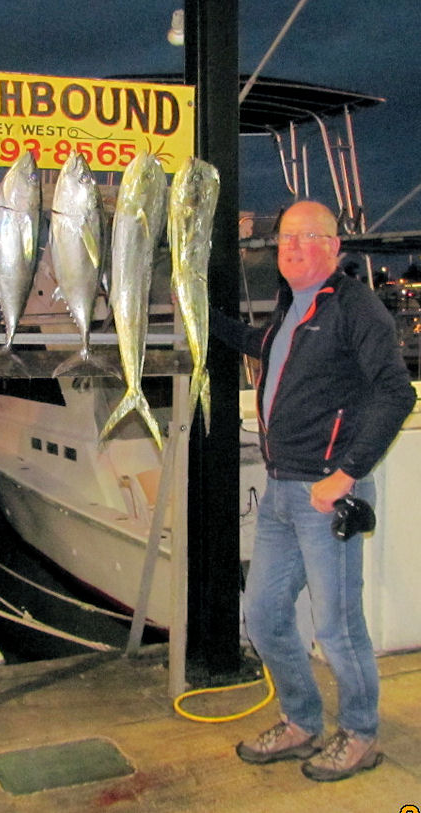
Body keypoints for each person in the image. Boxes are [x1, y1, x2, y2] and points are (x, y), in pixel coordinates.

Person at [210, 200, 417, 782]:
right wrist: (204, 315)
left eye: (305, 238)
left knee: (337, 626)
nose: (292, 248)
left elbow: (395, 394)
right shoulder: (291, 306)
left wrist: (345, 474)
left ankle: (361, 735)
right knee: (266, 615)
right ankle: (302, 722)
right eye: (284, 240)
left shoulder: (356, 308)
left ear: (332, 246)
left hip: (326, 493)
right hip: (280, 492)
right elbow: (267, 350)